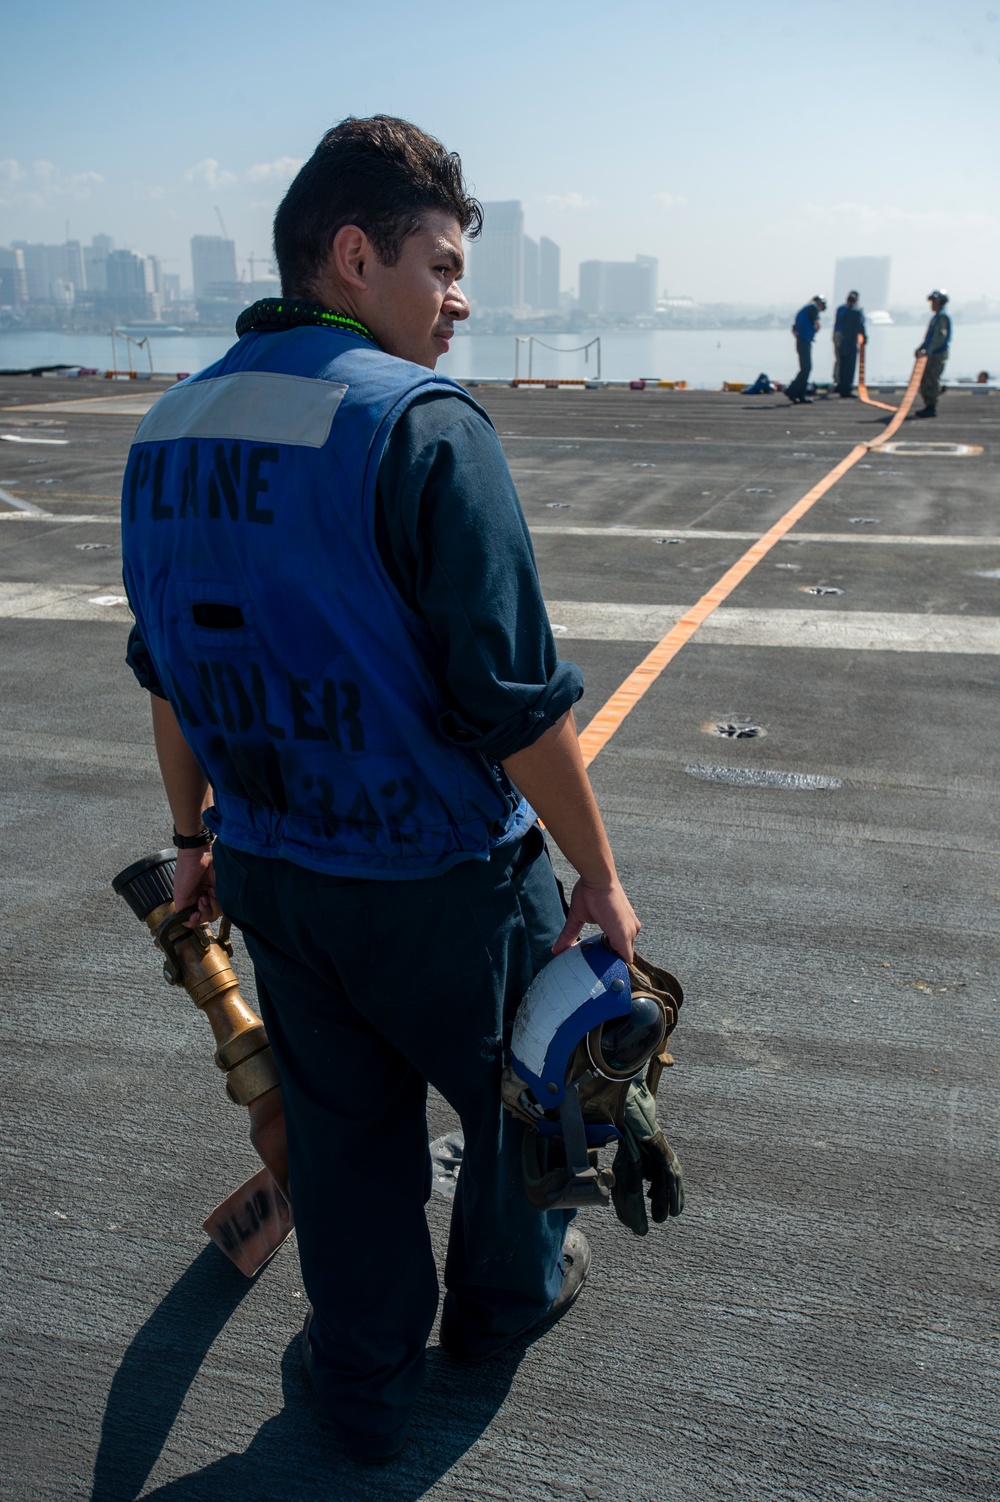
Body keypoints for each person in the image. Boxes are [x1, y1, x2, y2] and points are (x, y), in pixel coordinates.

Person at [119, 115, 640, 1464]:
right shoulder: (420, 426)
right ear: (355, 254)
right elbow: (520, 703)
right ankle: (506, 1302)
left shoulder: (166, 428)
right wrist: (598, 874)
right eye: (444, 264)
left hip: (280, 876)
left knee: (348, 1147)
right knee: (550, 1089)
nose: (460, 297)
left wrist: (192, 843)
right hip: (442, 877)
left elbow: (169, 676)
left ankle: (358, 1384)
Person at [914, 289, 951, 418]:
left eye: (934, 302)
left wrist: (927, 351)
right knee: (925, 379)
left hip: (937, 355)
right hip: (931, 354)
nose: (932, 304)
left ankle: (931, 406)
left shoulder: (942, 317)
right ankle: (928, 404)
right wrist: (921, 348)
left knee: (932, 380)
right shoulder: (937, 317)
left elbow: (938, 338)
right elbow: (929, 338)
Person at [785, 295, 827, 404]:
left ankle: (800, 394)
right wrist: (811, 333)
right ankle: (792, 390)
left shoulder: (804, 309)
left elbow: (793, 329)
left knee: (805, 368)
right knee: (806, 368)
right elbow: (818, 325)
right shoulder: (813, 307)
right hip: (804, 341)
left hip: (801, 340)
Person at [833, 290, 865, 398]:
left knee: (841, 364)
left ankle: (841, 386)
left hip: (842, 340)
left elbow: (839, 324)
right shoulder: (857, 311)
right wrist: (865, 338)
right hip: (851, 340)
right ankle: (848, 388)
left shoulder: (842, 310)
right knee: (850, 367)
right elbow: (861, 325)